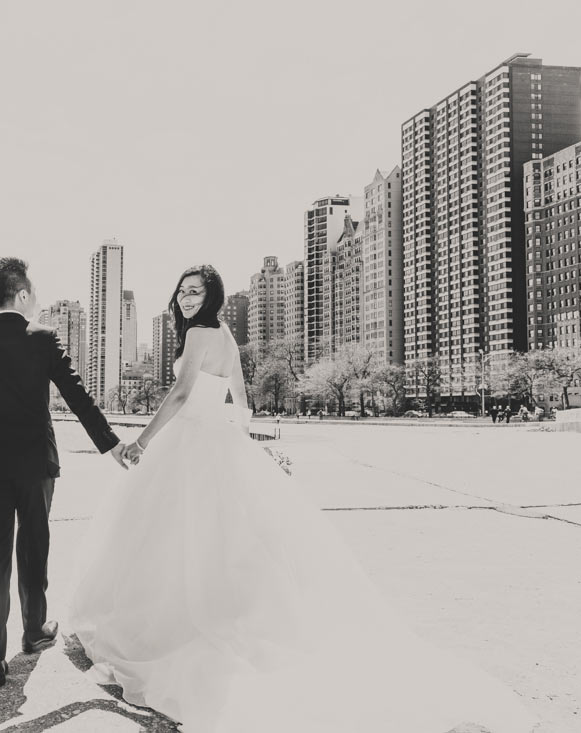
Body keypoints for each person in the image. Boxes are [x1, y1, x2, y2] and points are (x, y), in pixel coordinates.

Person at [68, 264, 537, 732]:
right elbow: (242, 397)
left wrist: (143, 441)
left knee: (173, 535)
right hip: (218, 443)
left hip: (189, 441)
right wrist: (237, 443)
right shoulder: (227, 336)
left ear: (211, 298)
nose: (187, 298)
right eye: (183, 290)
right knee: (226, 540)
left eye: (196, 291)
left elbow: (181, 392)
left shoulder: (197, 336)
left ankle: (173, 624)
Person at [0, 256, 128, 688]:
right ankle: (33, 629)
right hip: (35, 464)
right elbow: (77, 395)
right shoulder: (44, 338)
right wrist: (111, 444)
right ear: (23, 294)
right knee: (33, 544)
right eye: (34, 295)